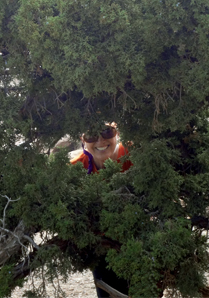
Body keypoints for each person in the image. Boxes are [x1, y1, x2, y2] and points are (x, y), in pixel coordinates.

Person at [70, 123, 132, 297]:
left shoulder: (136, 155)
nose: (100, 140)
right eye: (91, 135)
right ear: (83, 139)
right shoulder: (75, 170)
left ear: (116, 133)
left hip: (140, 238)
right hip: (101, 247)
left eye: (106, 131)